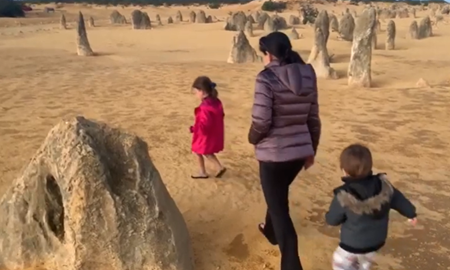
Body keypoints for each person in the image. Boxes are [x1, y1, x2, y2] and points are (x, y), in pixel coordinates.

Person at [248, 31, 321, 270]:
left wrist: (252, 139)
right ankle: (269, 232)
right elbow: (313, 119)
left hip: (273, 155)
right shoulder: (308, 74)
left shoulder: (266, 78)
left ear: (269, 55)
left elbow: (261, 122)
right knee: (277, 197)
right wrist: (312, 150)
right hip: (298, 154)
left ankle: (291, 263)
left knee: (281, 213)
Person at [325, 143, 417, 270]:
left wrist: (328, 216)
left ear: (344, 170)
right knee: (364, 263)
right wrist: (411, 213)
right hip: (375, 243)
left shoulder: (344, 196)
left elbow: (332, 220)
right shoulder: (384, 186)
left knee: (340, 263)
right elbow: (399, 199)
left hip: (351, 245)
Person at [190, 76, 226, 179]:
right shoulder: (216, 102)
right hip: (213, 133)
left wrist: (194, 129)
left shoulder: (205, 107)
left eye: (196, 92)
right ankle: (219, 167)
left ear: (202, 91)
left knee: (198, 151)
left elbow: (204, 125)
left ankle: (202, 172)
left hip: (204, 135)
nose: (195, 94)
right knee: (207, 152)